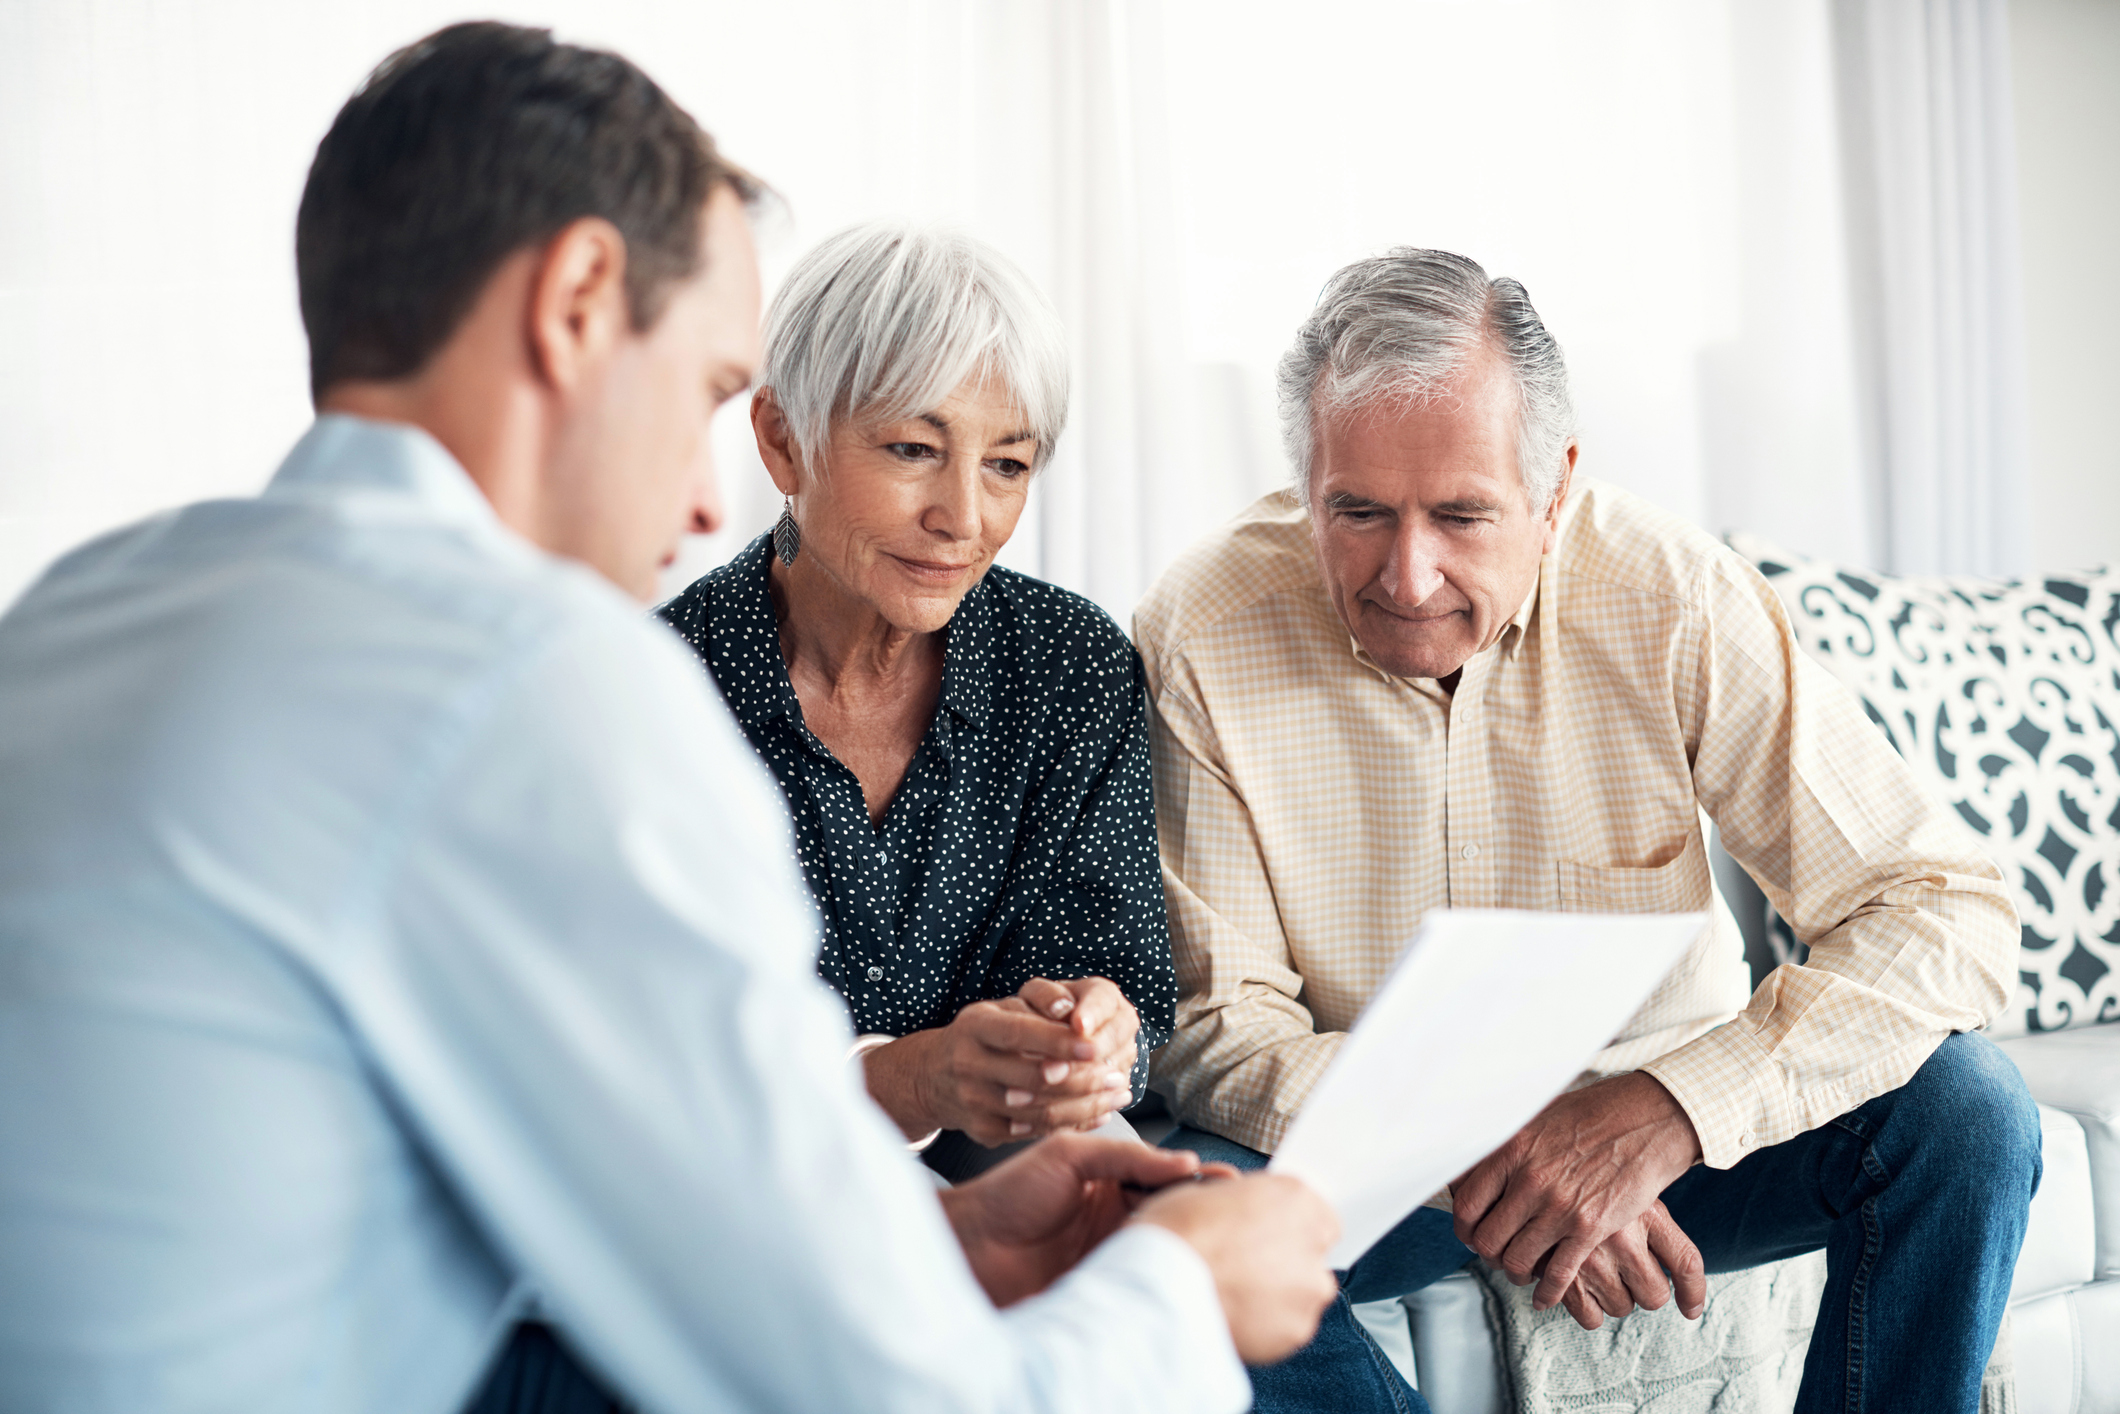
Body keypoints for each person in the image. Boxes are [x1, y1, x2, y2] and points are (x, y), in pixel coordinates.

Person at [0, 23, 1339, 1414]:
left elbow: (422, 1196)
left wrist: (937, 1238)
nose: (708, 507)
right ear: (578, 299)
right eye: (707, 390)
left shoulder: (74, 617)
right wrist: (1184, 1283)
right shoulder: (536, 680)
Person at [1135, 248, 2041, 1414]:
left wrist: (1667, 1113)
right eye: (1354, 511)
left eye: (1461, 514)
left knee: (1963, 1112)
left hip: (1667, 1131)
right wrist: (1497, 1147)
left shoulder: (1669, 595)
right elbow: (1218, 1031)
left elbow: (1939, 907)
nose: (1405, 576)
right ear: (1302, 480)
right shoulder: (1202, 630)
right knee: (1162, 1231)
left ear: (1553, 488)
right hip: (1381, 1159)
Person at [657, 225, 1168, 1181]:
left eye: (1007, 465)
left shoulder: (1069, 664)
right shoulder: (655, 693)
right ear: (781, 440)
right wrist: (911, 1079)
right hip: (744, 1193)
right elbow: (652, 1071)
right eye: (911, 448)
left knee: (1223, 1271)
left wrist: (1093, 1037)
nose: (963, 519)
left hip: (1025, 1161)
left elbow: (1123, 980)